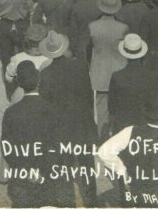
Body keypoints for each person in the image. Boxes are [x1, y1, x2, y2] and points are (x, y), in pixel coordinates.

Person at [97, 91, 158, 207]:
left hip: (136, 195)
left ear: (146, 115)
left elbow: (103, 152)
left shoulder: (130, 131)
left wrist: (122, 170)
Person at [1, 60, 72, 208]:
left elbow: (7, 148)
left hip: (22, 178)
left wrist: (26, 170)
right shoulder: (52, 110)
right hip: (48, 176)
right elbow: (60, 145)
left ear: (19, 83)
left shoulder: (11, 112)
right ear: (39, 81)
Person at [39, 31, 97, 205]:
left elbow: (45, 105)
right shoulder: (80, 66)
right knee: (87, 164)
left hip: (60, 128)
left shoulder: (46, 74)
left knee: (64, 167)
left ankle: (67, 202)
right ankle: (91, 201)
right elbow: (88, 95)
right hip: (82, 123)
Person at [87, 0, 129, 139]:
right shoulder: (123, 27)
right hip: (119, 69)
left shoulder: (92, 26)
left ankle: (102, 136)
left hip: (100, 71)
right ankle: (117, 135)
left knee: (101, 106)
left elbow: (89, 47)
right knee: (119, 106)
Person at [108, 33, 158, 133]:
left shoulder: (117, 76)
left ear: (125, 54)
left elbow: (111, 108)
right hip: (145, 126)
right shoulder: (152, 76)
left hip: (123, 127)